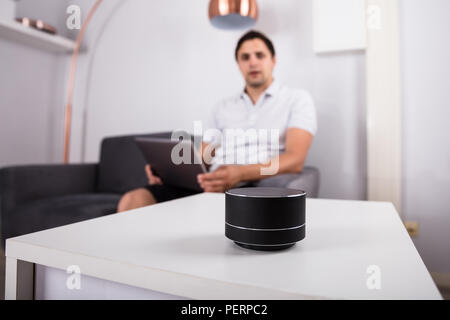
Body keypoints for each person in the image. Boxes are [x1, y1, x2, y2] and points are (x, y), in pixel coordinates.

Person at [117, 30, 317, 212]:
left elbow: (295, 159)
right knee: (134, 199)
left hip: (252, 184)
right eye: (245, 57)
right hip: (211, 182)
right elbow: (205, 156)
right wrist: (168, 170)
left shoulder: (297, 99)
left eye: (260, 55)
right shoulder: (223, 107)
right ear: (238, 64)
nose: (253, 62)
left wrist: (239, 174)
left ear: (273, 60)